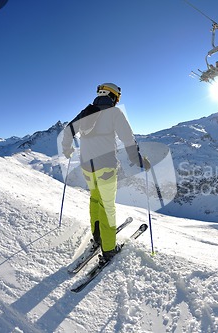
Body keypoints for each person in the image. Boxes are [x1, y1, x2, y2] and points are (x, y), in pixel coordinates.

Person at [62, 82, 150, 263]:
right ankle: (109, 249)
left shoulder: (87, 111)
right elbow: (128, 138)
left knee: (95, 200)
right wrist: (137, 160)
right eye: (117, 98)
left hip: (87, 168)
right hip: (106, 168)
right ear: (113, 96)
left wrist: (66, 149)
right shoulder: (114, 113)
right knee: (108, 207)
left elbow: (68, 130)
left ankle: (98, 237)